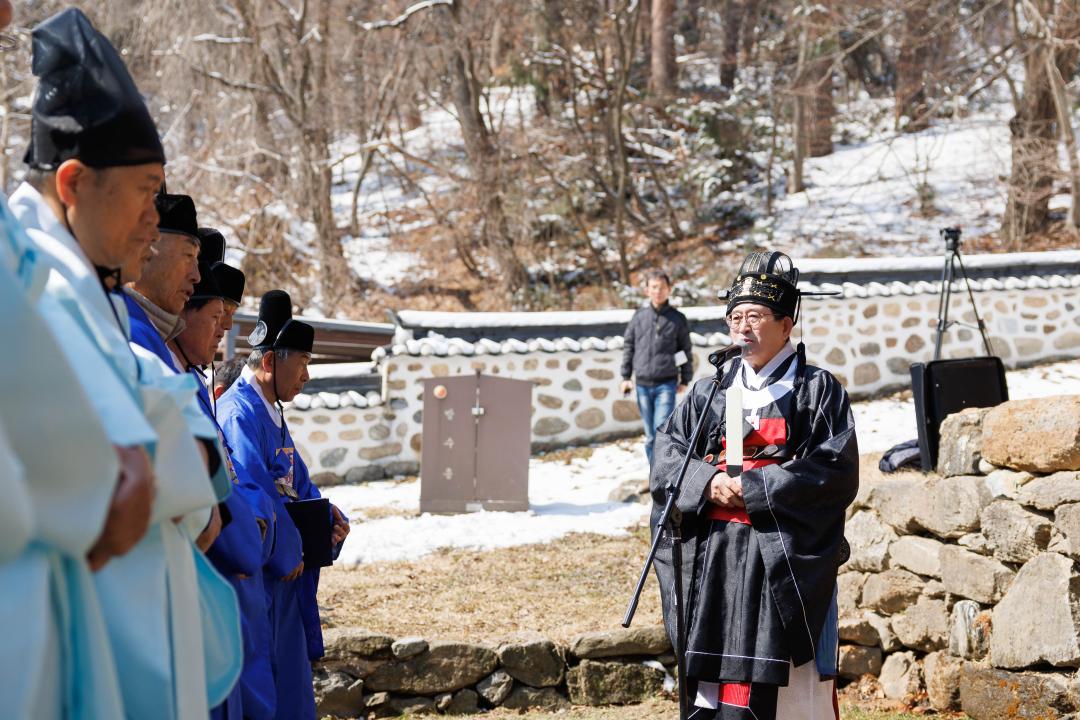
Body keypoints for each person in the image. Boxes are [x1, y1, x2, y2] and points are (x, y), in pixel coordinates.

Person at [9, 9, 240, 718]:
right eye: (145, 191)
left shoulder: (91, 288)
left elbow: (183, 451)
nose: (155, 217)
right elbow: (103, 463)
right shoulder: (32, 280)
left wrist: (172, 447)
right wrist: (171, 451)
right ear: (74, 184)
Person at [650, 252, 858, 720]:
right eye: (735, 317)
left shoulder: (817, 390)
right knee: (711, 684)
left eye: (756, 317)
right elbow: (667, 456)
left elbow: (835, 469)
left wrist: (759, 487)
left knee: (777, 695)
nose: (743, 327)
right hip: (714, 554)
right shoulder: (708, 392)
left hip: (776, 554)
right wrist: (707, 481)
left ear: (786, 325)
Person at [219, 291, 351, 720]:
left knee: (292, 700)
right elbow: (255, 492)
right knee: (265, 699)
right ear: (272, 361)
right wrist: (291, 548)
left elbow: (298, 487)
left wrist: (325, 523)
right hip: (261, 581)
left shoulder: (270, 410)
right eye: (304, 362)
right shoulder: (238, 414)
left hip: (286, 582)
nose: (307, 375)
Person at [620, 270, 694, 464]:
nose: (658, 291)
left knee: (660, 433)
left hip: (666, 384)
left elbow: (684, 350)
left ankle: (661, 479)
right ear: (647, 291)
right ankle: (655, 476)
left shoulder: (677, 318)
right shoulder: (639, 317)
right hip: (642, 385)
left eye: (662, 287)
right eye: (654, 287)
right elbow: (629, 346)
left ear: (669, 290)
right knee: (650, 437)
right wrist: (626, 376)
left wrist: (685, 378)